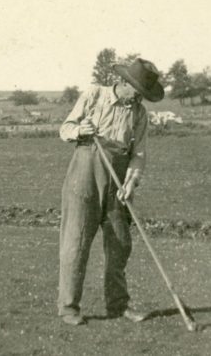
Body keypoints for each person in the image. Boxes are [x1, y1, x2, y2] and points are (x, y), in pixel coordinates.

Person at [57, 58, 165, 326]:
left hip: (118, 180)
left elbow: (138, 153)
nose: (138, 99)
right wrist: (81, 129)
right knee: (76, 241)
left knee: (120, 242)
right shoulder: (94, 95)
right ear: (124, 83)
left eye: (143, 95)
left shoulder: (140, 114)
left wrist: (131, 182)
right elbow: (65, 129)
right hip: (85, 172)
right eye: (136, 92)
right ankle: (69, 308)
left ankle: (118, 305)